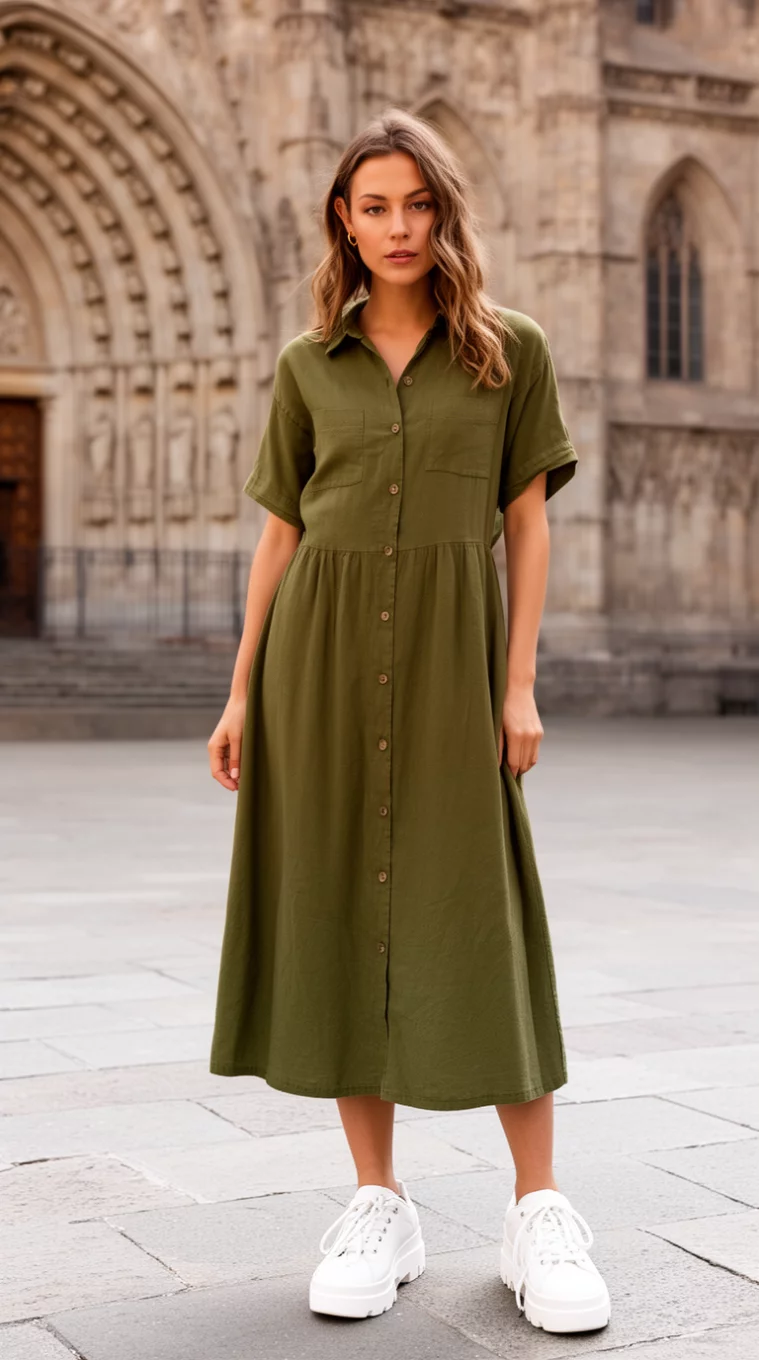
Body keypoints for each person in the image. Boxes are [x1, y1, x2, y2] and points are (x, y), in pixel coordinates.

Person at [207, 107, 611, 1335]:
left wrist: (520, 679)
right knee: (337, 909)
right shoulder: (303, 367)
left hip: (451, 662)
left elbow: (528, 523)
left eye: (417, 204)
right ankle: (378, 1200)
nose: (397, 226)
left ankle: (539, 1206)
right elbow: (283, 530)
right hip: (315, 666)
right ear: (344, 217)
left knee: (477, 911)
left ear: (444, 213)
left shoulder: (508, 352)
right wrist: (237, 690)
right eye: (374, 205)